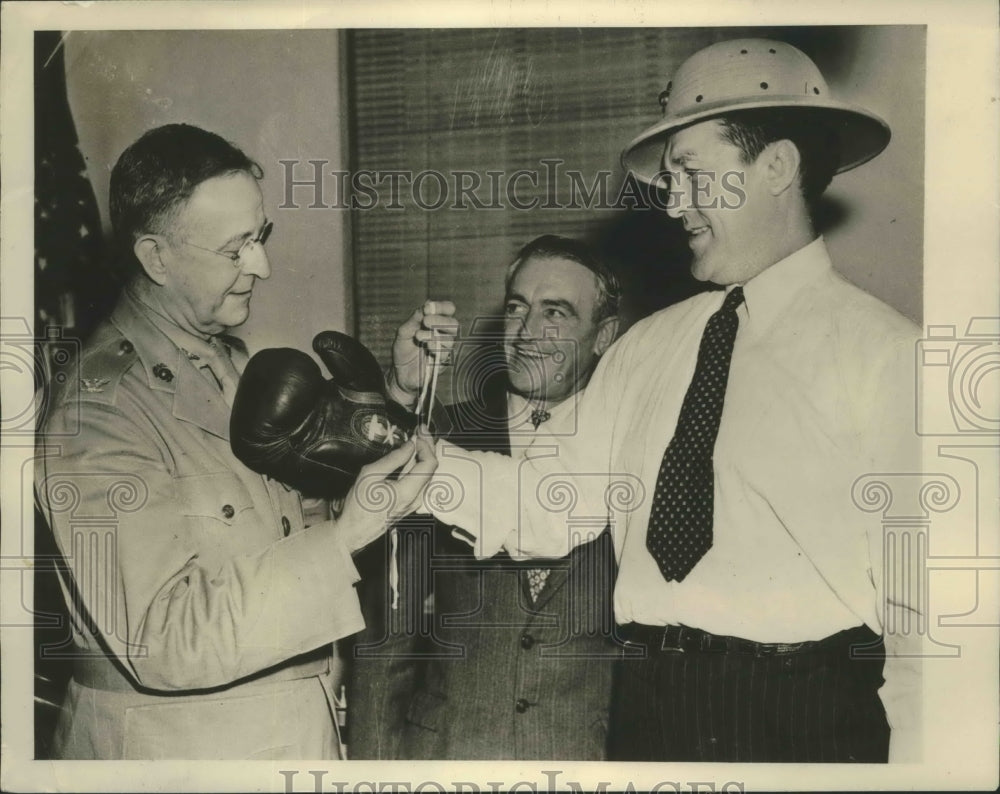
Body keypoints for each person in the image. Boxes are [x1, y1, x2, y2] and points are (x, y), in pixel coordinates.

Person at [426, 39, 922, 763]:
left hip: (807, 726)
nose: (672, 203)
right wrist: (397, 457)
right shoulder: (645, 349)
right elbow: (550, 503)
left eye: (690, 174)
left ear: (777, 166)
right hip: (647, 713)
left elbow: (933, 639)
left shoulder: (892, 359)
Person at [33, 123, 445, 760]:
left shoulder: (229, 362)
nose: (263, 266)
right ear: (156, 258)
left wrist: (390, 400)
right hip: (179, 755)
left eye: (262, 237)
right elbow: (163, 639)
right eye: (236, 250)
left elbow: (278, 533)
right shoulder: (101, 409)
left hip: (286, 732)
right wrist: (347, 537)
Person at [349, 236, 627, 760]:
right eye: (517, 307)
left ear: (604, 335)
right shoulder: (442, 435)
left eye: (556, 313)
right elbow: (387, 633)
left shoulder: (633, 445)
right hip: (449, 756)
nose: (525, 333)